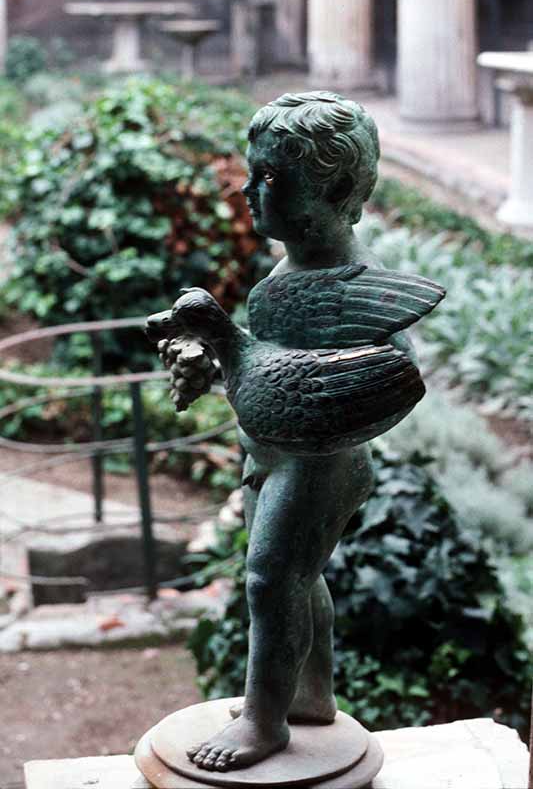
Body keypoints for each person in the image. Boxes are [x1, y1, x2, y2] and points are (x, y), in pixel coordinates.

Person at [163, 92, 419, 773]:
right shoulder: (293, 267)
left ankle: (265, 721)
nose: (249, 191)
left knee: (271, 581)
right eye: (253, 173)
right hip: (272, 457)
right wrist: (220, 357)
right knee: (298, 578)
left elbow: (392, 370)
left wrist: (235, 348)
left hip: (317, 465)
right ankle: (308, 697)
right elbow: (273, 364)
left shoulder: (352, 281)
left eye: (271, 177)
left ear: (335, 189)